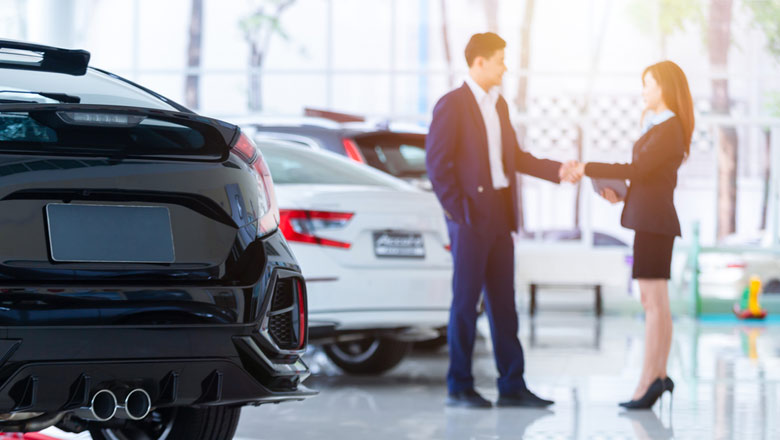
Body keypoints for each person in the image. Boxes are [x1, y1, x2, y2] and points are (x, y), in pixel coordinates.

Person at [425, 32, 578, 409]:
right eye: (499, 61)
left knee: (504, 304)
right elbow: (437, 166)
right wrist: (460, 213)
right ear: (479, 62)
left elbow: (516, 158)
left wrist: (557, 170)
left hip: (500, 214)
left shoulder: (499, 105)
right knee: (465, 303)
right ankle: (459, 386)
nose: (505, 68)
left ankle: (512, 385)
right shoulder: (452, 105)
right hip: (470, 217)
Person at [562, 60, 694, 409]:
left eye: (648, 84)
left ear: (664, 87)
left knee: (653, 303)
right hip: (651, 219)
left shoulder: (668, 128)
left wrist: (586, 167)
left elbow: (637, 169)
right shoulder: (661, 127)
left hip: (654, 223)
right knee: (656, 303)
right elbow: (648, 178)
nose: (644, 91)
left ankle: (648, 381)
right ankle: (658, 376)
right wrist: (623, 194)